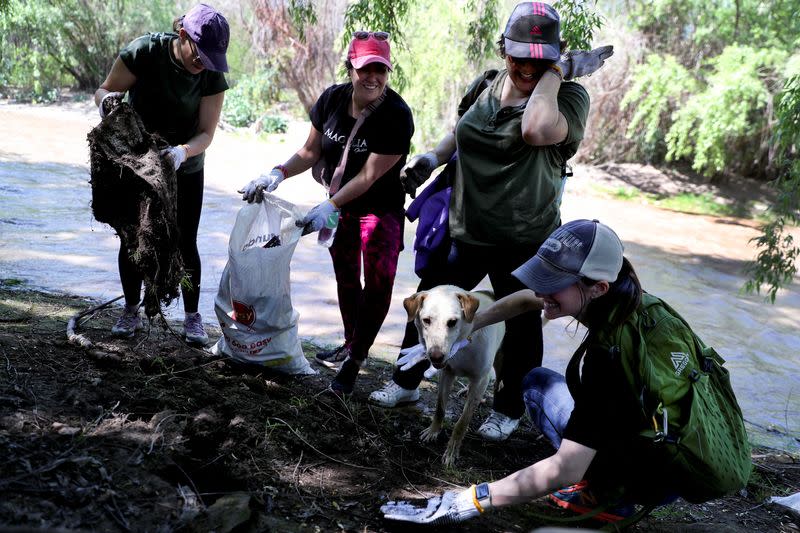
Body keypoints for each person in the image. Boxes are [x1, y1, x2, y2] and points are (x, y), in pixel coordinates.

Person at [381, 219, 751, 526]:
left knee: (537, 385)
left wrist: (471, 499)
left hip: (651, 474)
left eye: (552, 281)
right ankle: (622, 476)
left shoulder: (608, 360)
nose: (541, 287)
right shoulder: (645, 305)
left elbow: (565, 468)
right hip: (686, 450)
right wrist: (466, 331)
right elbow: (528, 299)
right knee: (548, 383)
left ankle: (609, 495)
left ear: (597, 287)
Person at [368, 1, 612, 442]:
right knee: (428, 308)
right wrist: (432, 157)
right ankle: (405, 385)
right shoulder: (488, 83)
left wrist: (559, 71)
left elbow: (536, 129)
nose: (525, 66)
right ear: (503, 49)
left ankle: (508, 408)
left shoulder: (569, 97)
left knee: (520, 324)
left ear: (556, 56)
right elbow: (462, 131)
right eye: (518, 55)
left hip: (524, 236)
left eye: (539, 58)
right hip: (465, 226)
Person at [239, 31, 414, 395]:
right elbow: (309, 151)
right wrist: (277, 174)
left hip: (380, 211)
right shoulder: (331, 100)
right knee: (347, 280)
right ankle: (352, 342)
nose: (373, 77)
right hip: (337, 209)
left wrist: (329, 205)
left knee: (379, 283)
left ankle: (356, 360)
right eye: (366, 68)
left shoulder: (396, 116)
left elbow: (368, 177)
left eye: (380, 69)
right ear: (350, 66)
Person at [94, 3, 230, 345]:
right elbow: (105, 89)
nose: (203, 65)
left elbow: (206, 134)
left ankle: (192, 316)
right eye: (199, 55)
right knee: (134, 237)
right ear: (182, 36)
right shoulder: (145, 52)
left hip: (184, 164)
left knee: (186, 241)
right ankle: (130, 310)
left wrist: (182, 153)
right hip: (137, 162)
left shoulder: (211, 73)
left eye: (211, 60)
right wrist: (107, 104)